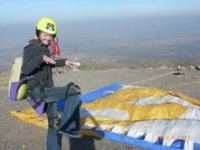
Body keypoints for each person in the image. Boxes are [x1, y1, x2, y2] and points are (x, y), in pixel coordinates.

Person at [21, 17, 82, 150]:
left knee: (53, 124)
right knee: (73, 90)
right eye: (45, 35)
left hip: (48, 89)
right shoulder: (31, 48)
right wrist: (41, 58)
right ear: (38, 33)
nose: (48, 38)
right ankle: (69, 127)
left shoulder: (45, 49)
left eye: (51, 36)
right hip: (38, 90)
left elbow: (49, 64)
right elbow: (26, 68)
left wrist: (64, 62)